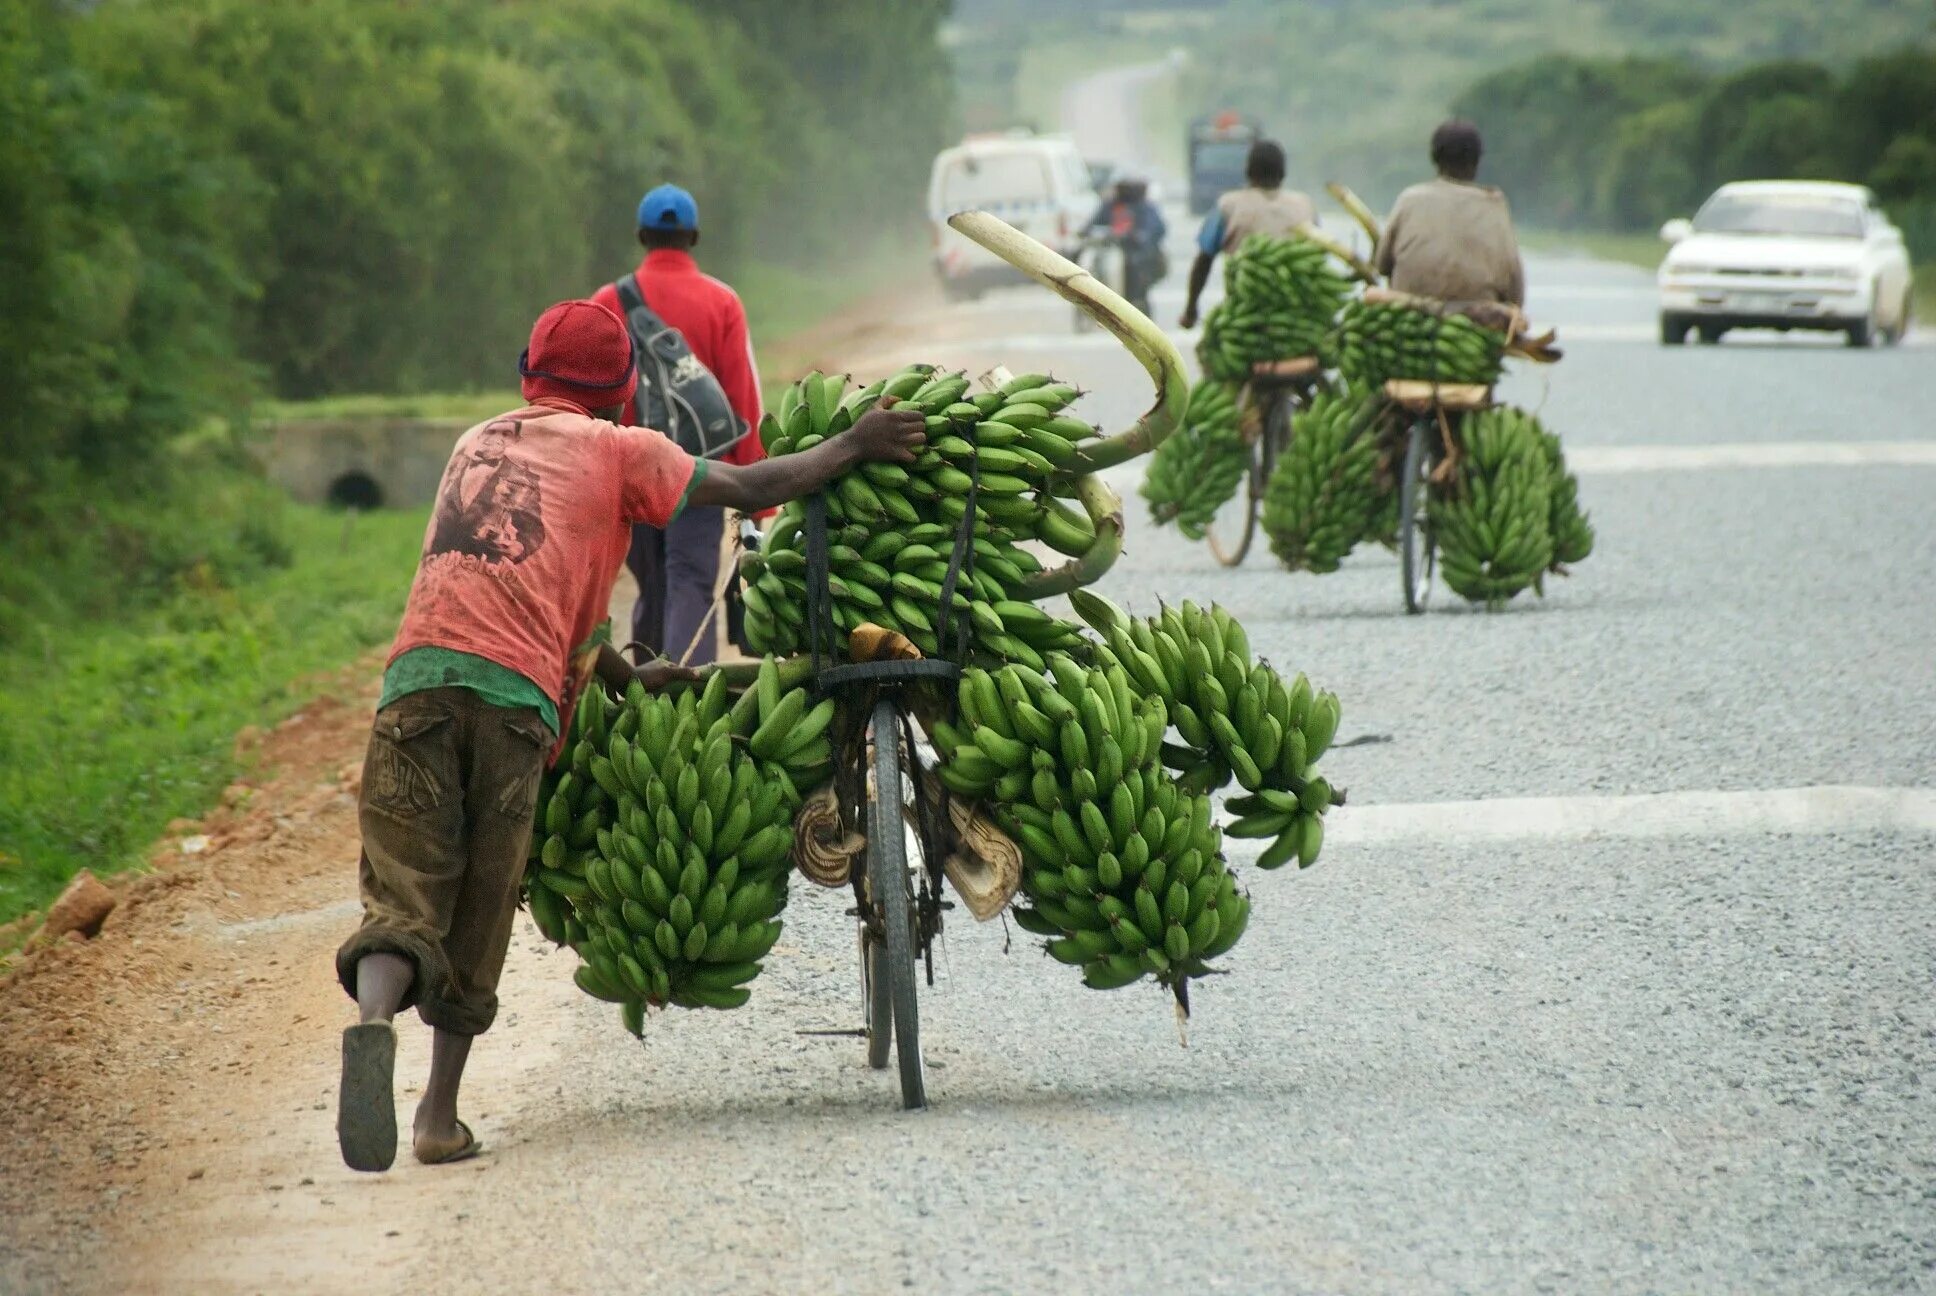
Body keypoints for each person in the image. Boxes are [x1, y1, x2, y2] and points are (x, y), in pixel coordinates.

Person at [333, 299, 924, 1173]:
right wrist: (855, 446)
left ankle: (373, 1024)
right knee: (480, 909)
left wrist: (622, 674)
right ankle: (434, 1117)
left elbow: (524, 591)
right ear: (625, 393)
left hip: (416, 685)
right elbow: (753, 487)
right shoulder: (623, 451)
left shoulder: (476, 443)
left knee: (404, 892)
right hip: (513, 708)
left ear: (526, 376)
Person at [591, 184, 765, 667]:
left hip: (625, 466)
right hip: (698, 472)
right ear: (694, 236)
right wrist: (756, 490)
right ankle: (686, 700)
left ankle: (640, 700)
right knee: (688, 579)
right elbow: (741, 399)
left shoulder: (608, 301)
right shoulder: (721, 301)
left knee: (653, 583)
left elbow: (587, 390)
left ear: (642, 234)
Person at [1374, 120, 1525, 307]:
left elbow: (1382, 265)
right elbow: (1514, 289)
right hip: (1482, 318)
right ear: (1477, 161)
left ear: (1434, 159)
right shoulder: (1494, 205)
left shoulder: (1410, 199)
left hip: (1409, 311)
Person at [1179, 140, 1317, 329]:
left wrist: (1191, 310)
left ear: (1247, 171)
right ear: (1283, 172)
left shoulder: (1229, 205)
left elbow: (1204, 259)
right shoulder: (1304, 205)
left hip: (1243, 308)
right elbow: (1319, 254)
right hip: (1299, 308)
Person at [1085, 176, 1168, 314]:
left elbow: (1154, 230)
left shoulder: (1144, 207)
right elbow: (1092, 224)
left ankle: (1137, 301)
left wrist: (1139, 237)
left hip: (1137, 254)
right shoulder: (1110, 206)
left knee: (1135, 269)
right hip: (1110, 248)